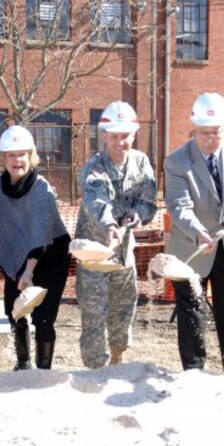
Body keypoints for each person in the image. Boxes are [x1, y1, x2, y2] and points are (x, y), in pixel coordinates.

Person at [164, 92, 224, 375]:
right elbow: (178, 205)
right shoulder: (177, 161)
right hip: (192, 248)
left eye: (215, 132)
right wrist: (198, 230)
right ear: (193, 127)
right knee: (192, 313)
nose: (208, 139)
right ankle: (194, 372)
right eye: (202, 132)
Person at [0, 126, 71, 370]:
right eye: (11, 154)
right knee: (15, 311)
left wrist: (29, 272)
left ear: (31, 156)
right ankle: (22, 364)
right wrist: (8, 263)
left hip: (50, 258)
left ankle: (43, 371)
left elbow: (40, 232)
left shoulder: (41, 188)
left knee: (43, 318)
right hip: (18, 260)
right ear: (3, 158)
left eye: (22, 154)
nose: (17, 160)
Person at [75, 101, 158, 369]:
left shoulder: (141, 162)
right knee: (94, 314)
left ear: (133, 134)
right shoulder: (94, 168)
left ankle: (118, 359)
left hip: (124, 254)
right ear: (104, 136)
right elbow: (97, 202)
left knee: (123, 309)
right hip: (94, 255)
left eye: (126, 136)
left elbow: (148, 201)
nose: (121, 142)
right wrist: (111, 225)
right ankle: (95, 369)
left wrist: (137, 214)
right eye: (115, 137)